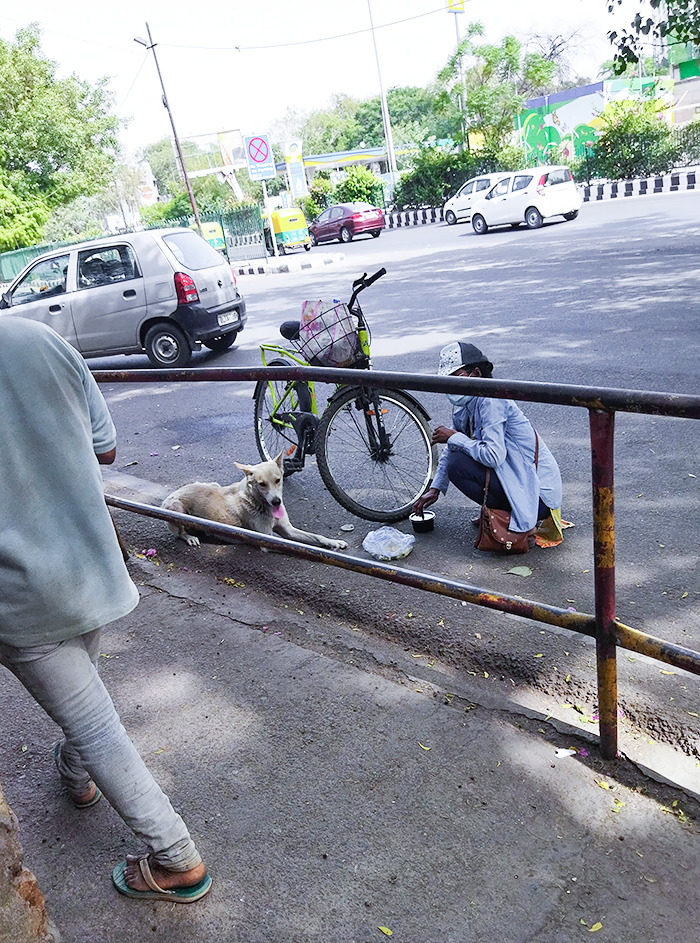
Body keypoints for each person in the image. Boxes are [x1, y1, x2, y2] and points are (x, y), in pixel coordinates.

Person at [0, 316, 211, 903]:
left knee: (93, 723)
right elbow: (107, 448)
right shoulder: (42, 339)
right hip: (91, 565)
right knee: (84, 701)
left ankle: (176, 858)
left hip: (23, 590)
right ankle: (76, 776)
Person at [413, 342, 564, 545]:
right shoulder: (467, 402)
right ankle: (501, 511)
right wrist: (436, 488)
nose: (450, 387)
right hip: (516, 479)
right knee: (457, 456)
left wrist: (454, 437)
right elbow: (453, 447)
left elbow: (493, 456)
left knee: (457, 464)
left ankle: (511, 516)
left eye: (455, 378)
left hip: (538, 496)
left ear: (476, 374)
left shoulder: (492, 400)